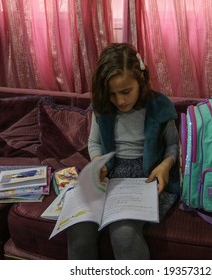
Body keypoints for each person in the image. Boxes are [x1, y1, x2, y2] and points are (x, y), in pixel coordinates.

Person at [67, 43, 180, 260]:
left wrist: (165, 165)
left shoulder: (159, 106)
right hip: (110, 176)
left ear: (141, 81)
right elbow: (94, 143)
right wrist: (98, 162)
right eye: (112, 94)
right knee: (79, 227)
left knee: (123, 233)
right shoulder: (103, 107)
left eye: (126, 92)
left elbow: (173, 145)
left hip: (146, 178)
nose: (120, 101)